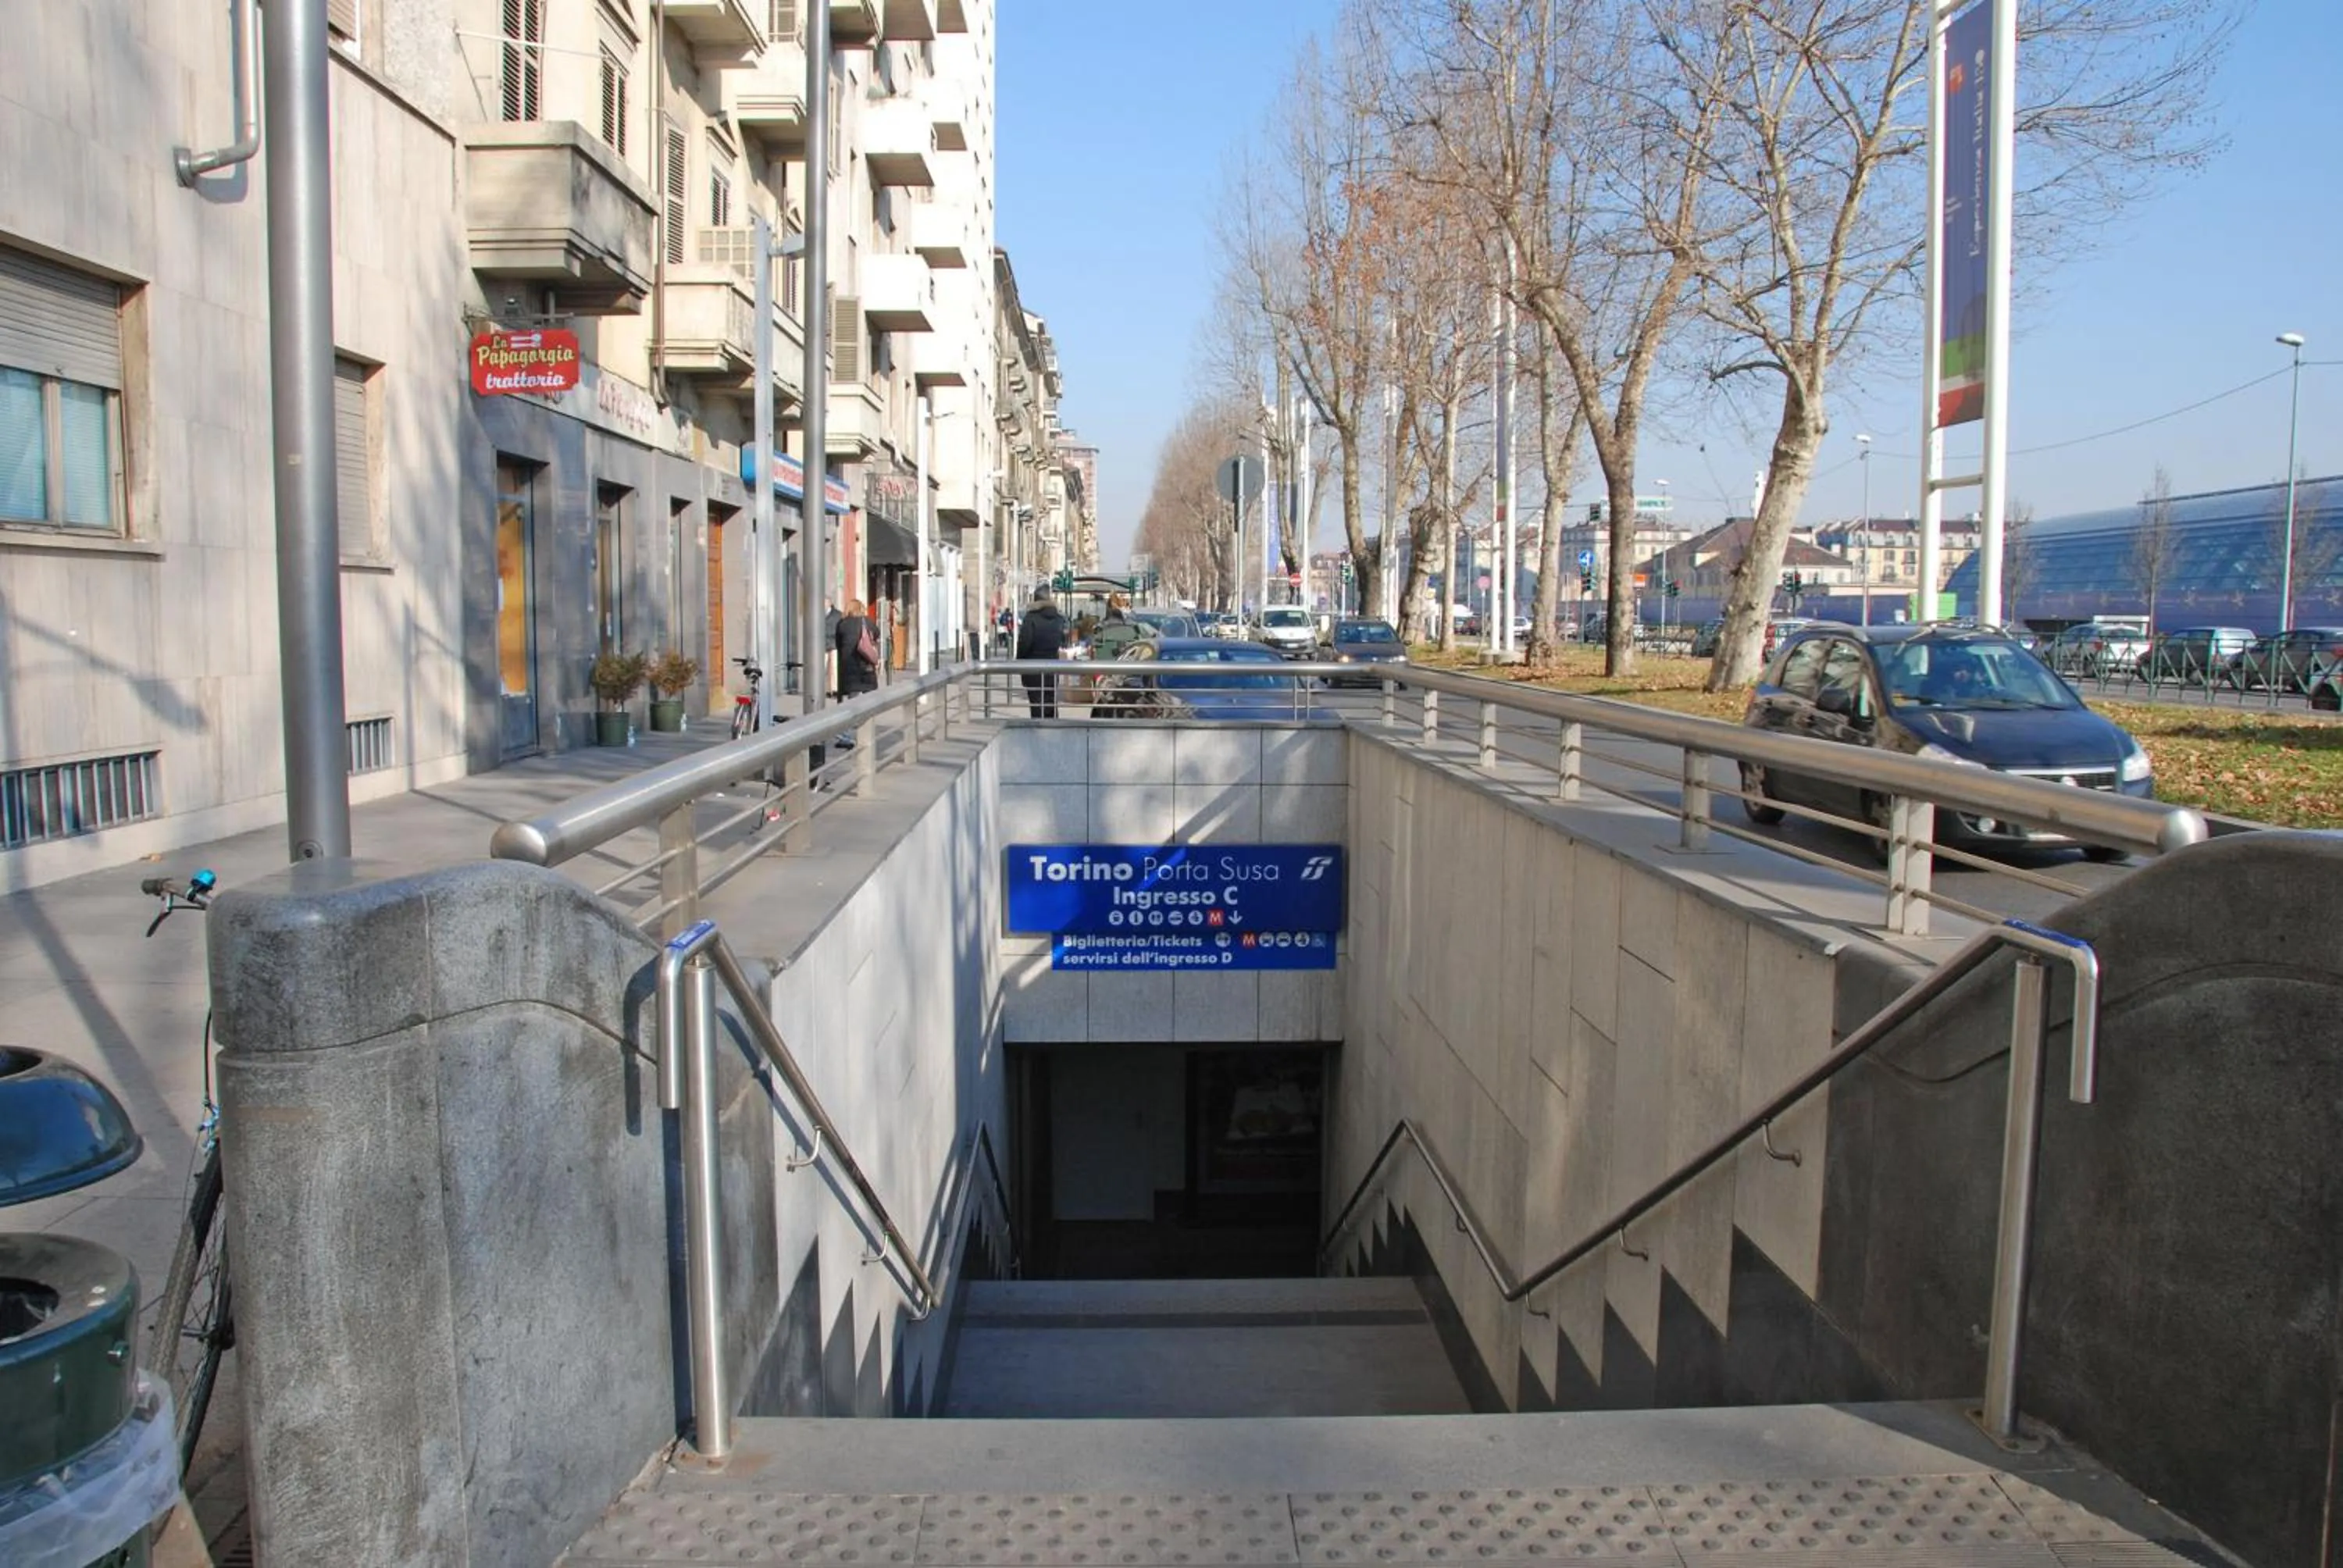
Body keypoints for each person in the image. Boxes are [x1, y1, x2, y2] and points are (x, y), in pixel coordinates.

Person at [1015, 590, 1068, 717]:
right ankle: (1053, 728)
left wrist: (1019, 661)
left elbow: (1025, 643)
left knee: (1036, 702)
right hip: (1052, 665)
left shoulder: (1031, 618)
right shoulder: (1059, 619)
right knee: (1050, 699)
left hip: (1033, 666)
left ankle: (1038, 730)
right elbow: (1063, 641)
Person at [1090, 593, 1143, 662]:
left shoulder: (1100, 627)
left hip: (1104, 666)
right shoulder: (1134, 626)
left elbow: (1094, 649)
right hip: (1130, 666)